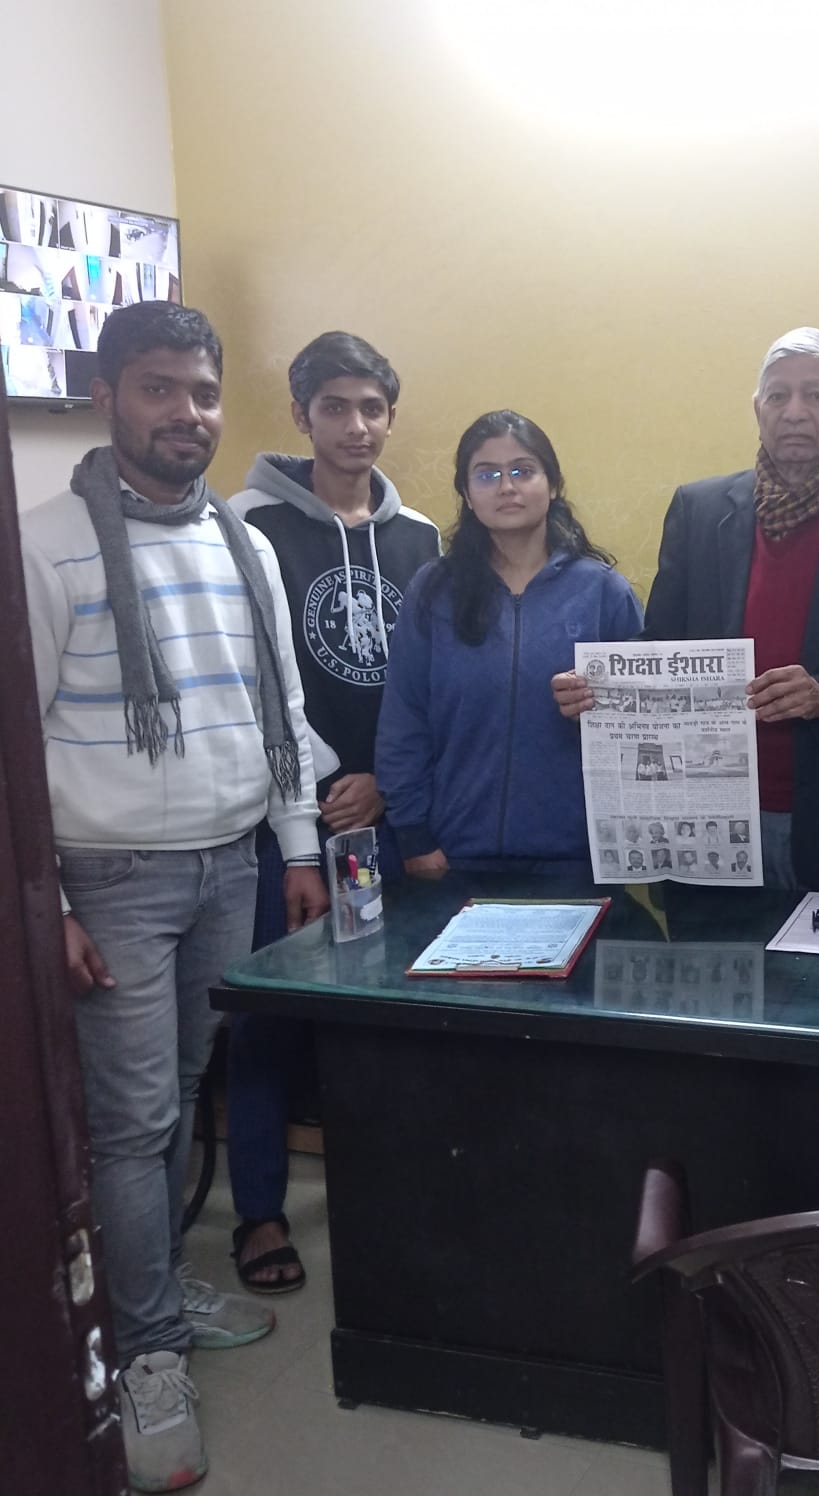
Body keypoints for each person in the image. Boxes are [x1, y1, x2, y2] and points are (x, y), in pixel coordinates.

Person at [20, 301, 328, 1491]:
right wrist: (48, 907)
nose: (186, 413)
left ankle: (147, 1292)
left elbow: (279, 705)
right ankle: (143, 1353)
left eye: (201, 390)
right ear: (106, 398)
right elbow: (14, 746)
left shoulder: (245, 542)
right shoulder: (46, 546)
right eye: (158, 388)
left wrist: (294, 844)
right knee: (133, 1121)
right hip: (112, 878)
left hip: (228, 862)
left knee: (183, 1097)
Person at [553, 327, 819, 894]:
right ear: (757, 409)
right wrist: (599, 687)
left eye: (815, 395)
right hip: (707, 823)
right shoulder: (697, 510)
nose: (794, 412)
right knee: (714, 955)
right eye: (778, 395)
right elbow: (662, 644)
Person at [224, 331, 440, 1294]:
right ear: (301, 415)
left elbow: (430, 684)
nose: (356, 426)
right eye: (335, 407)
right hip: (291, 820)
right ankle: (260, 1211)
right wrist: (322, 781)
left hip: (393, 814)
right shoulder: (247, 523)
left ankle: (395, 1194)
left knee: (395, 1012)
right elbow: (250, 676)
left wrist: (386, 778)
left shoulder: (421, 538)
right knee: (270, 1015)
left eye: (372, 408)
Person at [376, 410, 643, 875]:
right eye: (487, 475)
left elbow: (648, 725)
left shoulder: (604, 592)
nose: (506, 487)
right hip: (453, 855)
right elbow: (405, 718)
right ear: (466, 493)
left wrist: (600, 707)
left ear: (552, 484)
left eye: (523, 471)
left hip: (581, 859)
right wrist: (413, 834)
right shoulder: (434, 590)